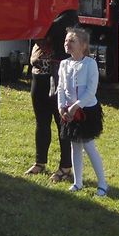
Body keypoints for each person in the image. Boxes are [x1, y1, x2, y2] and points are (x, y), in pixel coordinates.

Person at [57, 26, 108, 197]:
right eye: (66, 40)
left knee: (88, 145)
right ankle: (77, 182)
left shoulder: (90, 64)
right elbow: (61, 87)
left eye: (72, 41)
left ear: (84, 45)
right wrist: (61, 106)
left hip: (86, 111)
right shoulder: (64, 64)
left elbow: (91, 91)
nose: (67, 43)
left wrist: (75, 106)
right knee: (74, 145)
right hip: (70, 112)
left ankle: (102, 183)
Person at [23, 23, 73, 183]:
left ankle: (65, 167)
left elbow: (52, 32)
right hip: (39, 73)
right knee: (41, 121)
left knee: (61, 122)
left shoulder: (65, 16)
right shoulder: (40, 13)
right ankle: (40, 162)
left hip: (57, 74)